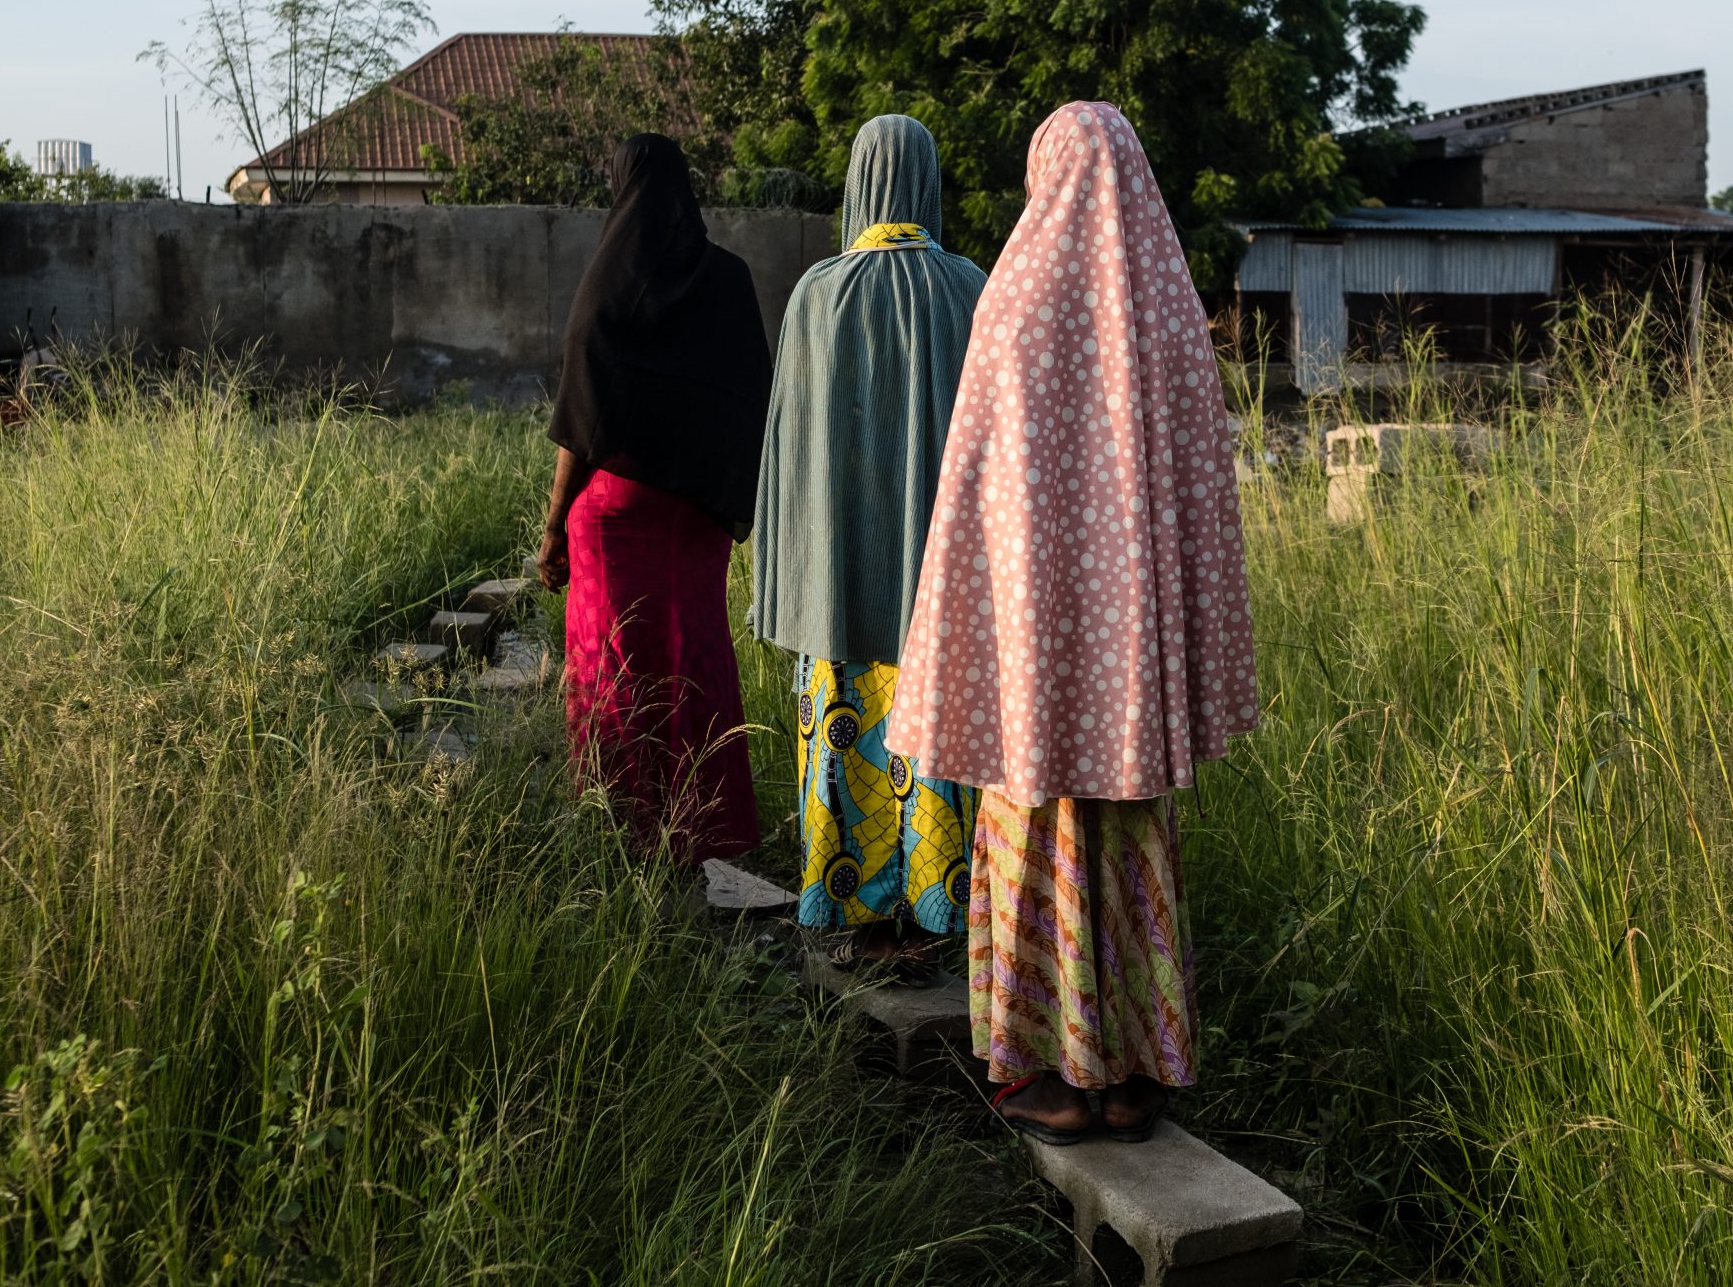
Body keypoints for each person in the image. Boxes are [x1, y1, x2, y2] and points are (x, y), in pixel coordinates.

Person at [887, 101, 1259, 1145]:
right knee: (1131, 844)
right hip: (1129, 679)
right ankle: (1137, 1076)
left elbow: (973, 500)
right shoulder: (1173, 316)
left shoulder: (1012, 303)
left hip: (1035, 675)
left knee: (1035, 846)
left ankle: (1056, 1075)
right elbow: (1200, 504)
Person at [751, 115, 988, 968]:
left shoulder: (817, 292)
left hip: (840, 574)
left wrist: (784, 568)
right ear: (928, 180)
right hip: (944, 578)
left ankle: (849, 901)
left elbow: (788, 451)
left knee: (846, 733)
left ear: (856, 181)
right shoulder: (970, 286)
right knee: (940, 741)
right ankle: (940, 901)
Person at [535, 133, 773, 864]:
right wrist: (734, 504)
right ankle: (710, 832)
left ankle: (621, 834)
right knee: (695, 658)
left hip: (617, 515)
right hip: (697, 519)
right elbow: (754, 399)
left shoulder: (610, 280)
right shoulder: (729, 281)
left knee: (616, 667)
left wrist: (551, 532)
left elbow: (582, 413)